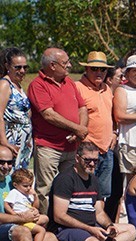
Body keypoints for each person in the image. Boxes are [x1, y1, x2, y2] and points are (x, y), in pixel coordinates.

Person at [0, 145, 105, 241]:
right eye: (2, 162)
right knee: (22, 231)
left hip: (17, 223)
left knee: (49, 236)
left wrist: (33, 212)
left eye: (9, 162)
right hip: (7, 227)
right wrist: (21, 219)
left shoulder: (11, 180)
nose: (6, 166)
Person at [28, 47, 88, 203]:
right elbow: (48, 114)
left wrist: (80, 130)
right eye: (65, 63)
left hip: (71, 145)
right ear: (52, 66)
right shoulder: (38, 85)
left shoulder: (69, 82)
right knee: (45, 190)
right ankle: (45, 218)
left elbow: (82, 107)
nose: (69, 65)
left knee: (70, 186)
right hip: (48, 147)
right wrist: (77, 128)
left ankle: (65, 217)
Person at [74, 52, 117, 204]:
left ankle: (99, 218)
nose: (99, 72)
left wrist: (114, 133)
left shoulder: (107, 89)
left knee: (103, 193)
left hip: (106, 149)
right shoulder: (77, 87)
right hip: (87, 149)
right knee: (83, 190)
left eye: (103, 69)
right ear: (86, 69)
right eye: (94, 69)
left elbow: (112, 115)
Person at [0, 48, 33, 171]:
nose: (22, 71)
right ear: (7, 66)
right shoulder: (4, 84)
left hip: (23, 143)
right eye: (18, 67)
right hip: (11, 140)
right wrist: (4, 142)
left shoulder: (17, 85)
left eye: (25, 67)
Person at [4, 169, 49, 241]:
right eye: (25, 186)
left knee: (45, 218)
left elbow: (35, 206)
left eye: (30, 185)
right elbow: (6, 204)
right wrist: (13, 214)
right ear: (15, 185)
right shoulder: (15, 193)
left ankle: (35, 235)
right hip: (21, 220)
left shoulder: (28, 194)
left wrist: (35, 196)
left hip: (30, 217)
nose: (28, 188)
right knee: (41, 230)